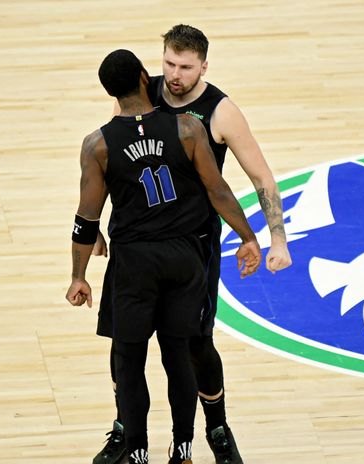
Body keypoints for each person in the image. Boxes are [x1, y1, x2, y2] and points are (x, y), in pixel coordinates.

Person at [93, 25, 292, 464]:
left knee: (195, 345)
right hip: (139, 246)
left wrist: (276, 238)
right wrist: (97, 229)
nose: (175, 75)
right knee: (125, 344)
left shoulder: (220, 112)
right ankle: (126, 431)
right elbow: (111, 162)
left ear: (204, 66)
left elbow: (262, 178)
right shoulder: (141, 94)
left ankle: (217, 429)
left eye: (185, 67)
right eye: (168, 64)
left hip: (193, 244)